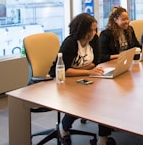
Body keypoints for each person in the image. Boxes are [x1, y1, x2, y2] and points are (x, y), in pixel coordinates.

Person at [48, 13, 116, 145]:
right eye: (91, 30)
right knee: (80, 101)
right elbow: (61, 70)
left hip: (84, 76)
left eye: (95, 29)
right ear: (82, 30)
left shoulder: (94, 40)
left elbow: (95, 62)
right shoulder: (70, 43)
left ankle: (103, 138)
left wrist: (81, 71)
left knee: (106, 99)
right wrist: (86, 71)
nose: (94, 33)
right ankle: (64, 127)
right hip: (64, 81)